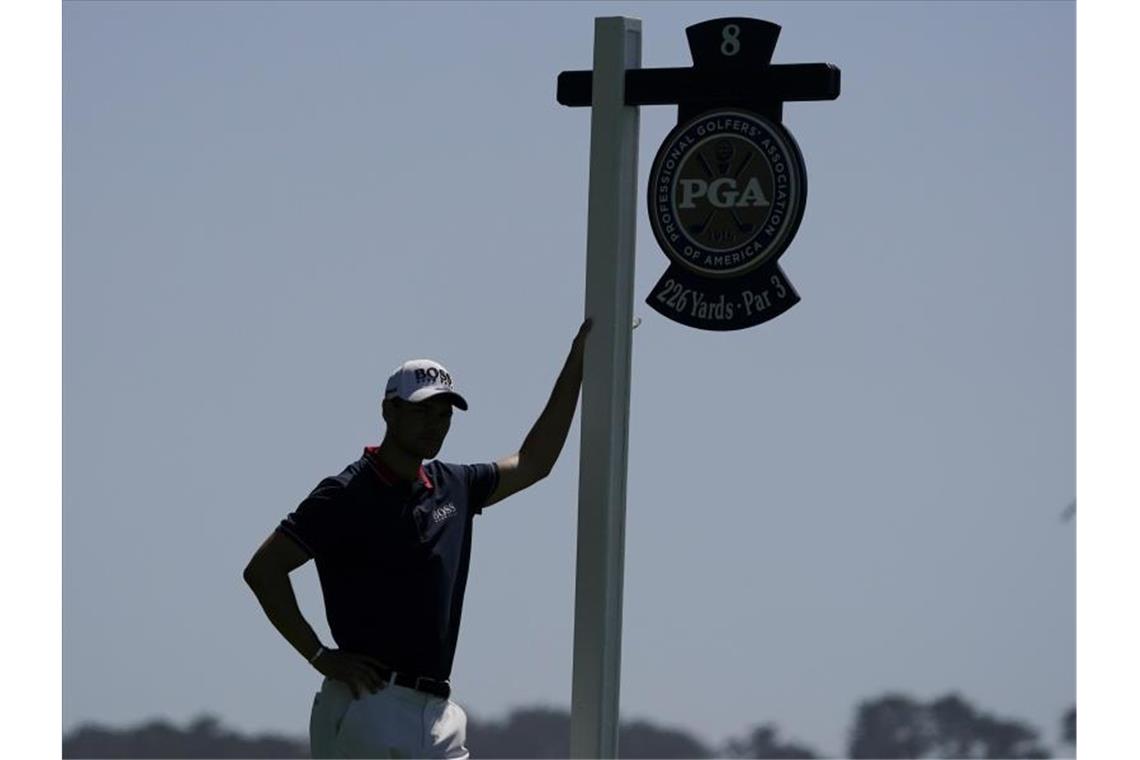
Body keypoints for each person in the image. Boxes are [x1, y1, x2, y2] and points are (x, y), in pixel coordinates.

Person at [243, 319, 592, 759]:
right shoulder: (346, 493)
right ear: (389, 411)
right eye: (422, 410)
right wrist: (319, 655)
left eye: (443, 413)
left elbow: (534, 462)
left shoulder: (456, 485)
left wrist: (578, 364)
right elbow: (264, 570)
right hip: (368, 705)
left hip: (439, 712)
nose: (435, 423)